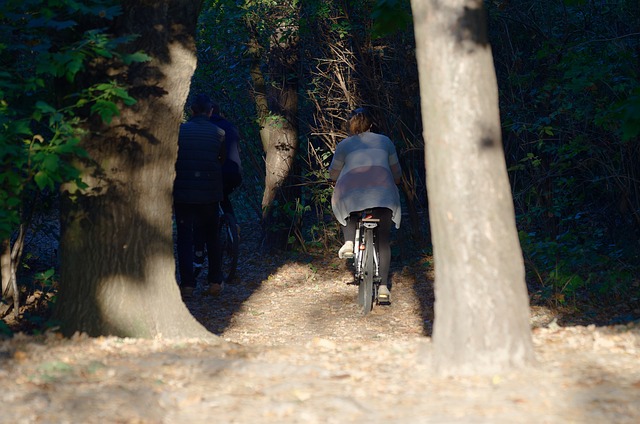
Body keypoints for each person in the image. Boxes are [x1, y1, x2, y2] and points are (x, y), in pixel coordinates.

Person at [328, 107, 402, 303]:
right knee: (383, 241)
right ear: (371, 124)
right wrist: (397, 180)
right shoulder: (385, 141)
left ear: (351, 125)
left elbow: (333, 173)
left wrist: (333, 178)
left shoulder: (344, 145)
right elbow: (396, 172)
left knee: (345, 201)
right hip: (383, 194)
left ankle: (349, 242)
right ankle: (384, 288)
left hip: (353, 193)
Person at [173, 94, 226, 298]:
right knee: (212, 237)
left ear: (192, 111)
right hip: (210, 194)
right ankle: (215, 281)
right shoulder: (219, 132)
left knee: (184, 238)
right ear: (210, 111)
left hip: (183, 193)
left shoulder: (180, 132)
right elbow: (220, 159)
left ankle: (187, 284)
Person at [192, 102, 243, 276]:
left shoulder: (207, 128)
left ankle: (202, 248)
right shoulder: (230, 127)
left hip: (214, 173)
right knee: (224, 196)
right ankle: (232, 223)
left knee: (208, 203)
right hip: (235, 174)